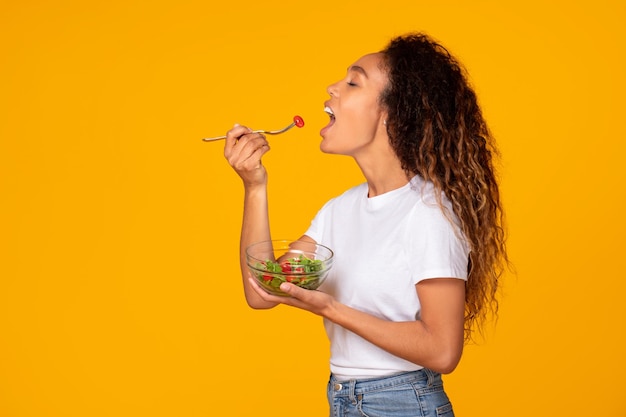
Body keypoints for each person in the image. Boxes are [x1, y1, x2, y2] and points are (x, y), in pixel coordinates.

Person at [223, 32, 507, 417]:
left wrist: (331, 307)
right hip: (344, 399)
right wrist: (255, 186)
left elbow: (442, 350)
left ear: (392, 112)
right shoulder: (339, 210)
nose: (332, 88)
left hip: (403, 402)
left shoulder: (428, 213)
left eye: (353, 82)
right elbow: (263, 290)